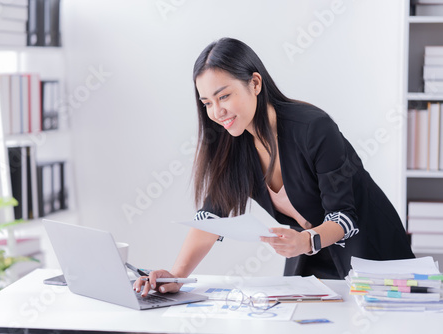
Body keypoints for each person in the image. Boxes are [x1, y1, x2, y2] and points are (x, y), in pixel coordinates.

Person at [134, 37, 414, 296]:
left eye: (224, 96)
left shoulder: (314, 128)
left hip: (371, 254)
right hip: (310, 262)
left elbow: (346, 218)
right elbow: (211, 217)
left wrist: (306, 241)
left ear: (255, 84)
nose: (216, 113)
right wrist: (177, 276)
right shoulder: (233, 144)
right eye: (207, 102)